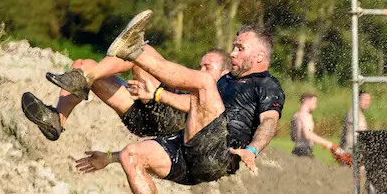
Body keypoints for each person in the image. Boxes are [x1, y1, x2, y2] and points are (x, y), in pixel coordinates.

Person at [63, 10, 284, 194]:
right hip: (190, 159)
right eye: (233, 47)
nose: (232, 53)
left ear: (259, 56)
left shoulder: (267, 85)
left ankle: (136, 52)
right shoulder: (224, 82)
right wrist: (110, 157)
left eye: (239, 48)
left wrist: (253, 150)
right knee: (130, 155)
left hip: (219, 151)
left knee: (202, 81)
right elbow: (190, 104)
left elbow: (269, 122)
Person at [21, 49, 230, 141]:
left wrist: (158, 95)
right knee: (81, 65)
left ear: (224, 72)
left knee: (139, 53)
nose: (201, 71)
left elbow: (197, 107)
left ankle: (87, 76)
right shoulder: (191, 80)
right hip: (140, 118)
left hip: (171, 118)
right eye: (200, 66)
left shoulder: (223, 89)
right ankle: (57, 119)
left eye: (208, 67)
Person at [290, 92, 345, 159]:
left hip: (295, 151)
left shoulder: (295, 116)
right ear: (307, 101)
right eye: (314, 103)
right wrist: (328, 143)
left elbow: (293, 137)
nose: (315, 106)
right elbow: (308, 134)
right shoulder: (306, 116)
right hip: (305, 152)